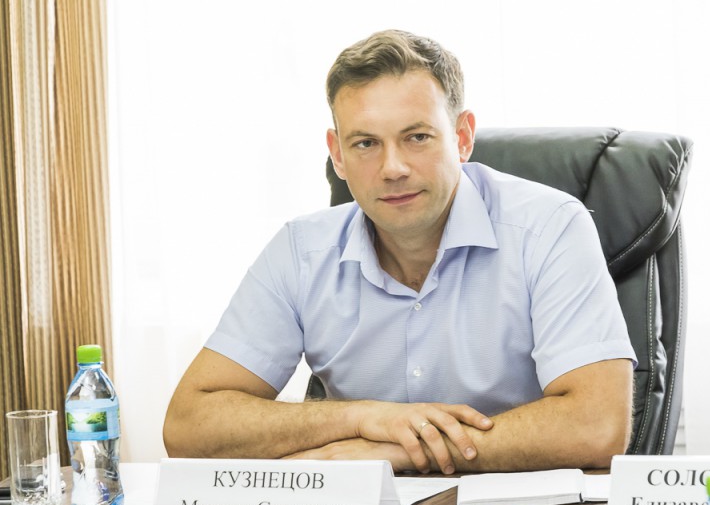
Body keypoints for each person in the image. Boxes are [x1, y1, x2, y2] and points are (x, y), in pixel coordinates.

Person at [163, 29, 636, 475]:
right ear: (338, 154)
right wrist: (362, 417)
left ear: (462, 137)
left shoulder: (549, 227)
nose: (393, 168)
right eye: (366, 143)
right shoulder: (301, 251)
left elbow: (596, 426)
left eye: (417, 137)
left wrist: (398, 451)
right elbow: (189, 426)